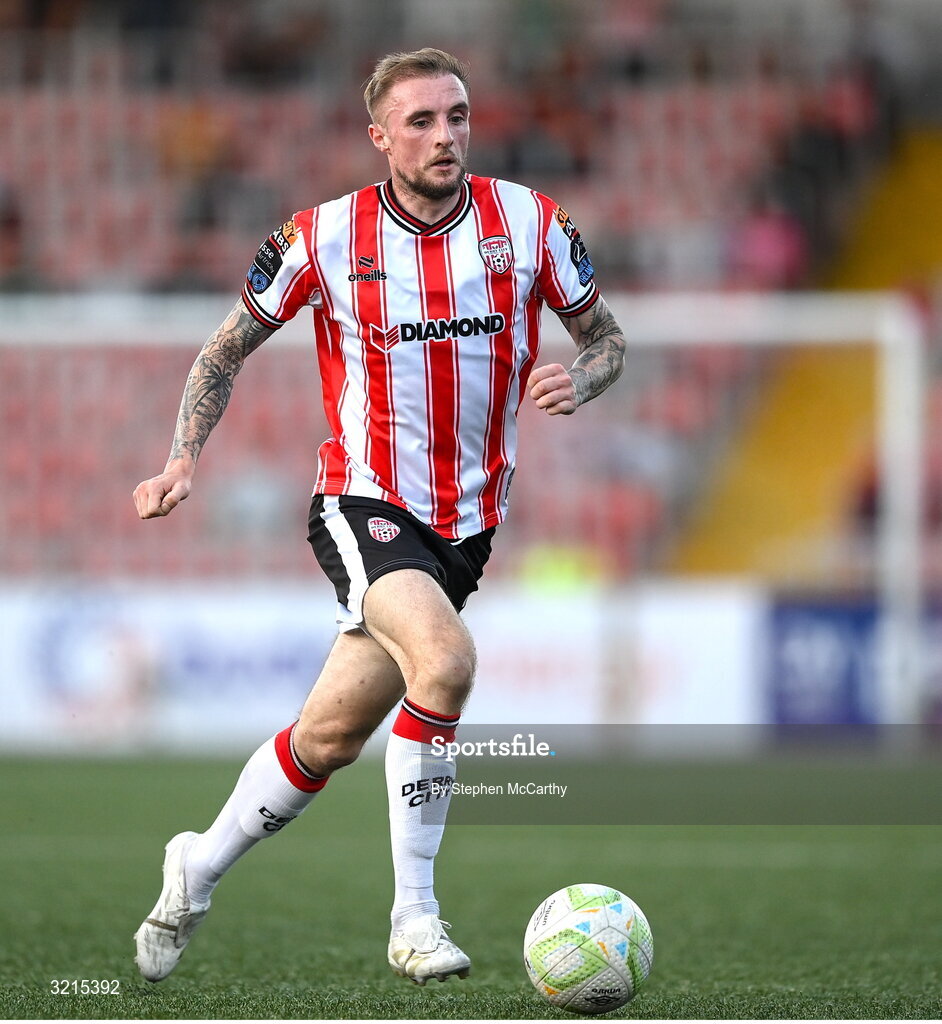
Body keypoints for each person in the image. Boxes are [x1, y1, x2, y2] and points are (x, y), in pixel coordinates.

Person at [132, 47, 626, 986]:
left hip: (470, 525)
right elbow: (225, 348)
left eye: (458, 116)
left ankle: (195, 866)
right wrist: (181, 458)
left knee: (329, 738)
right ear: (379, 136)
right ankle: (415, 918)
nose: (446, 136)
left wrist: (585, 379)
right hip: (364, 499)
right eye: (422, 122)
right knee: (444, 662)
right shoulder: (320, 237)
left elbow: (606, 338)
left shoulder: (531, 222)